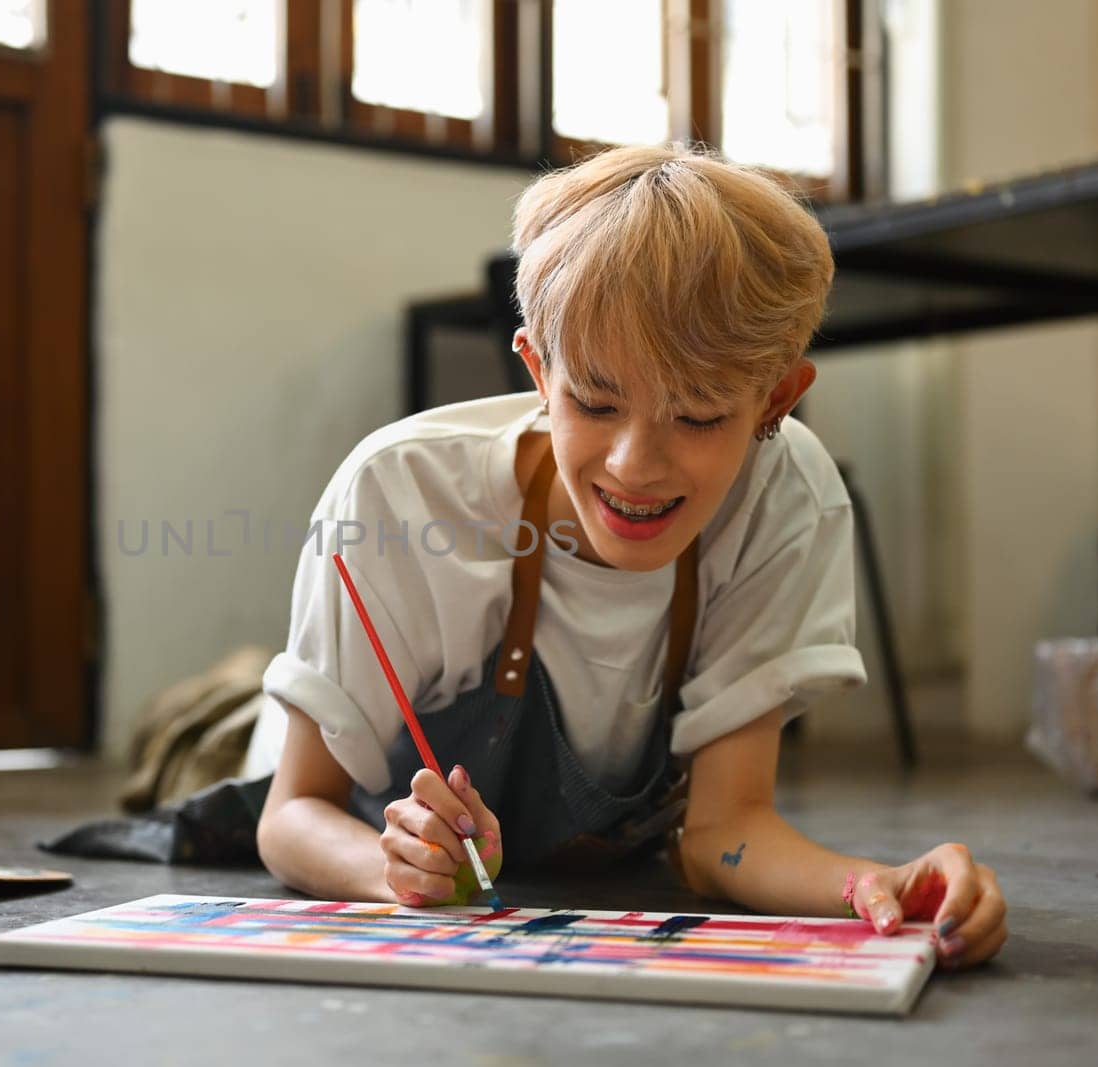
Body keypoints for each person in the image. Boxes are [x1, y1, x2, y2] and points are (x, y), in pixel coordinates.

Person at [243, 144, 1006, 970]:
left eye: (701, 416)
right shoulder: (396, 495)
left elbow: (725, 832)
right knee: (209, 735)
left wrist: (877, 886)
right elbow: (292, 815)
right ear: (537, 368)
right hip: (308, 781)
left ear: (777, 399)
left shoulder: (788, 499)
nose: (635, 465)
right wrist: (392, 871)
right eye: (596, 403)